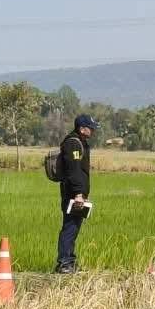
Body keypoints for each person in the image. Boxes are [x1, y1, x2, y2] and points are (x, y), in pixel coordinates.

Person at [55, 113, 99, 274]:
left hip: (78, 194)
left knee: (73, 227)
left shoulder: (81, 142)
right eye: (90, 128)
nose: (93, 130)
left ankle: (69, 261)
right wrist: (78, 193)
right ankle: (64, 263)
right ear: (82, 129)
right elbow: (73, 170)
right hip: (72, 194)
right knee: (70, 227)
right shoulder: (73, 143)